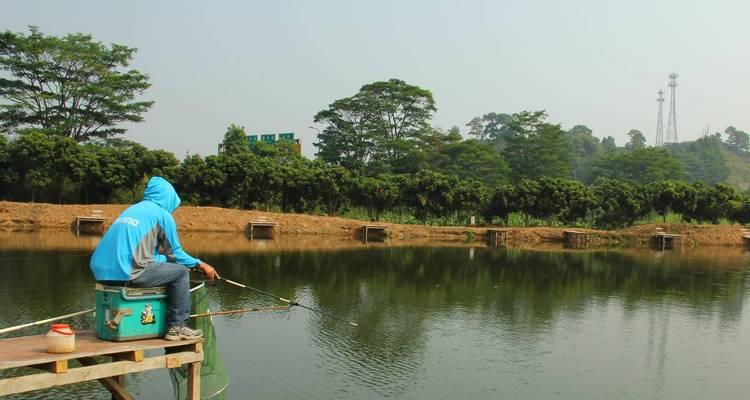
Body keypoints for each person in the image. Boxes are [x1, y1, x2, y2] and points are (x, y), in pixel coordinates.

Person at [90, 176, 219, 341]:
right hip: (127, 271)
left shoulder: (132, 210)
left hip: (102, 273)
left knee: (174, 269)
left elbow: (148, 255)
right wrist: (201, 265)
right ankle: (176, 327)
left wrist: (168, 261)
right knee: (180, 273)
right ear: (169, 198)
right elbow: (176, 254)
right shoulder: (162, 214)